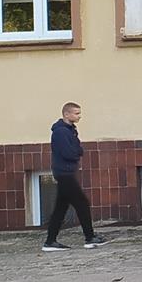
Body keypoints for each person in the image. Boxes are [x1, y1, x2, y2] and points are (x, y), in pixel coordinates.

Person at [43, 102, 106, 252]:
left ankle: (50, 241)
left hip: (66, 172)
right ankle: (89, 238)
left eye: (79, 113)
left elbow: (79, 149)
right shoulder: (60, 132)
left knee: (60, 208)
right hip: (64, 173)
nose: (79, 116)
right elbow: (69, 153)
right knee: (82, 203)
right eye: (76, 113)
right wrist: (76, 152)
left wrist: (76, 151)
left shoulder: (71, 130)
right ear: (66, 114)